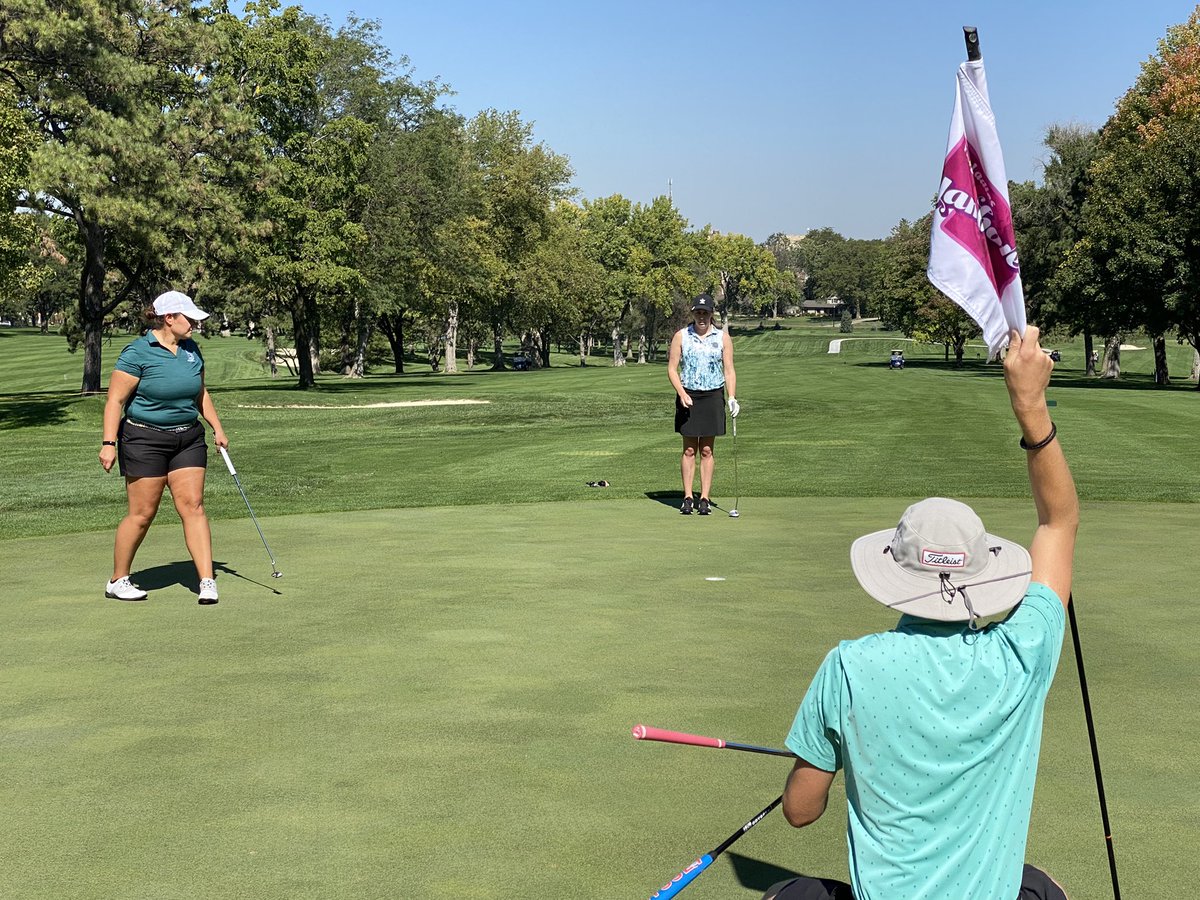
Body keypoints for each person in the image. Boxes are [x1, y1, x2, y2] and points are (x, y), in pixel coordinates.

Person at [765, 327, 1077, 900]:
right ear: (981, 571)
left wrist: (818, 764)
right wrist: (1031, 406)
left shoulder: (849, 667)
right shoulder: (1021, 653)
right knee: (1041, 887)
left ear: (894, 572)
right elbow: (1059, 523)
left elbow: (800, 811)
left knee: (787, 894)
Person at [98, 291, 229, 605]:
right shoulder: (137, 353)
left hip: (188, 438)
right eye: (189, 318)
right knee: (143, 514)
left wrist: (217, 427)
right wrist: (108, 443)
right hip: (144, 440)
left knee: (193, 506)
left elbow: (200, 393)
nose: (195, 324)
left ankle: (206, 580)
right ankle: (118, 580)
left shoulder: (191, 350)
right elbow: (115, 401)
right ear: (169, 318)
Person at [667, 293, 738, 516]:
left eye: (705, 313)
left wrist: (732, 397)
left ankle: (705, 498)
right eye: (698, 312)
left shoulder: (722, 337)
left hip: (712, 395)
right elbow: (672, 369)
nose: (701, 317)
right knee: (689, 449)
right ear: (693, 313)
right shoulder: (681, 336)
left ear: (711, 314)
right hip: (688, 395)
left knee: (707, 449)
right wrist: (681, 393)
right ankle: (688, 497)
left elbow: (729, 370)